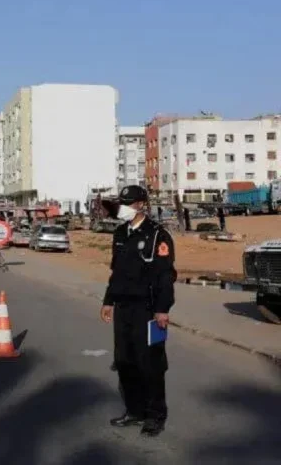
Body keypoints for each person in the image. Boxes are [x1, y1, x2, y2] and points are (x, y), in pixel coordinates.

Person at [100, 185, 177, 437]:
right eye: (122, 203)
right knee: (124, 362)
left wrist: (162, 309)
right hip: (123, 309)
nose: (124, 208)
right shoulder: (121, 233)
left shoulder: (158, 235)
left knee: (151, 363)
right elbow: (116, 272)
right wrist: (108, 301)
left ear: (142, 204)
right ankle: (134, 411)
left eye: (129, 203)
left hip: (149, 310)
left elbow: (165, 276)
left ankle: (155, 415)